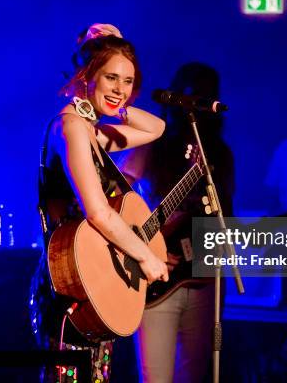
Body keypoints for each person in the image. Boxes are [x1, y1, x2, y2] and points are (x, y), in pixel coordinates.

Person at [30, 24, 169, 383]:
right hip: (68, 286)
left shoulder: (92, 131)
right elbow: (98, 212)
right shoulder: (72, 126)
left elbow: (156, 129)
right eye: (111, 77)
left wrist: (115, 104)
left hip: (93, 282)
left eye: (128, 82)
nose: (121, 89)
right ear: (88, 74)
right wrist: (144, 255)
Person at [120, 62, 235, 383]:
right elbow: (114, 196)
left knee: (196, 375)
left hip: (205, 280)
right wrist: (140, 243)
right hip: (157, 280)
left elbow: (228, 216)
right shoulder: (153, 145)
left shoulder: (220, 155)